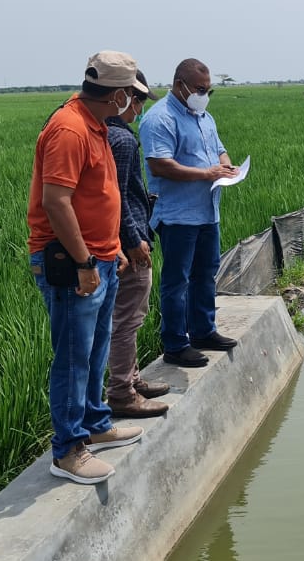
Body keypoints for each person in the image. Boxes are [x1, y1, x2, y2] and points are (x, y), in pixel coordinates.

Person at [26, 51, 147, 485]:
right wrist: (83, 262)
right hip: (71, 262)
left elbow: (97, 196)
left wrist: (110, 246)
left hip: (100, 256)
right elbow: (56, 202)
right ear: (117, 95)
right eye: (130, 96)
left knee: (97, 347)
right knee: (74, 358)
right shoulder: (69, 129)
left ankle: (96, 424)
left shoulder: (95, 125)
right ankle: (68, 450)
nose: (130, 102)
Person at [141, 58, 240, 368]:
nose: (204, 94)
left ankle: (203, 331)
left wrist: (226, 165)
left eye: (209, 90)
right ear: (179, 84)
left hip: (207, 211)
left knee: (206, 273)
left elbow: (219, 148)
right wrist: (206, 174)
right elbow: (160, 164)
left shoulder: (203, 116)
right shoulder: (160, 118)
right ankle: (175, 343)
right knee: (176, 280)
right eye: (200, 89)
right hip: (178, 215)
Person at [105, 71, 172, 419]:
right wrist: (134, 240)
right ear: (125, 97)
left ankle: (131, 379)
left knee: (128, 317)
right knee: (129, 318)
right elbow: (114, 198)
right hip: (127, 244)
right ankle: (121, 391)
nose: (140, 109)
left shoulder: (108, 133)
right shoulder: (121, 139)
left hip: (122, 239)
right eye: (140, 101)